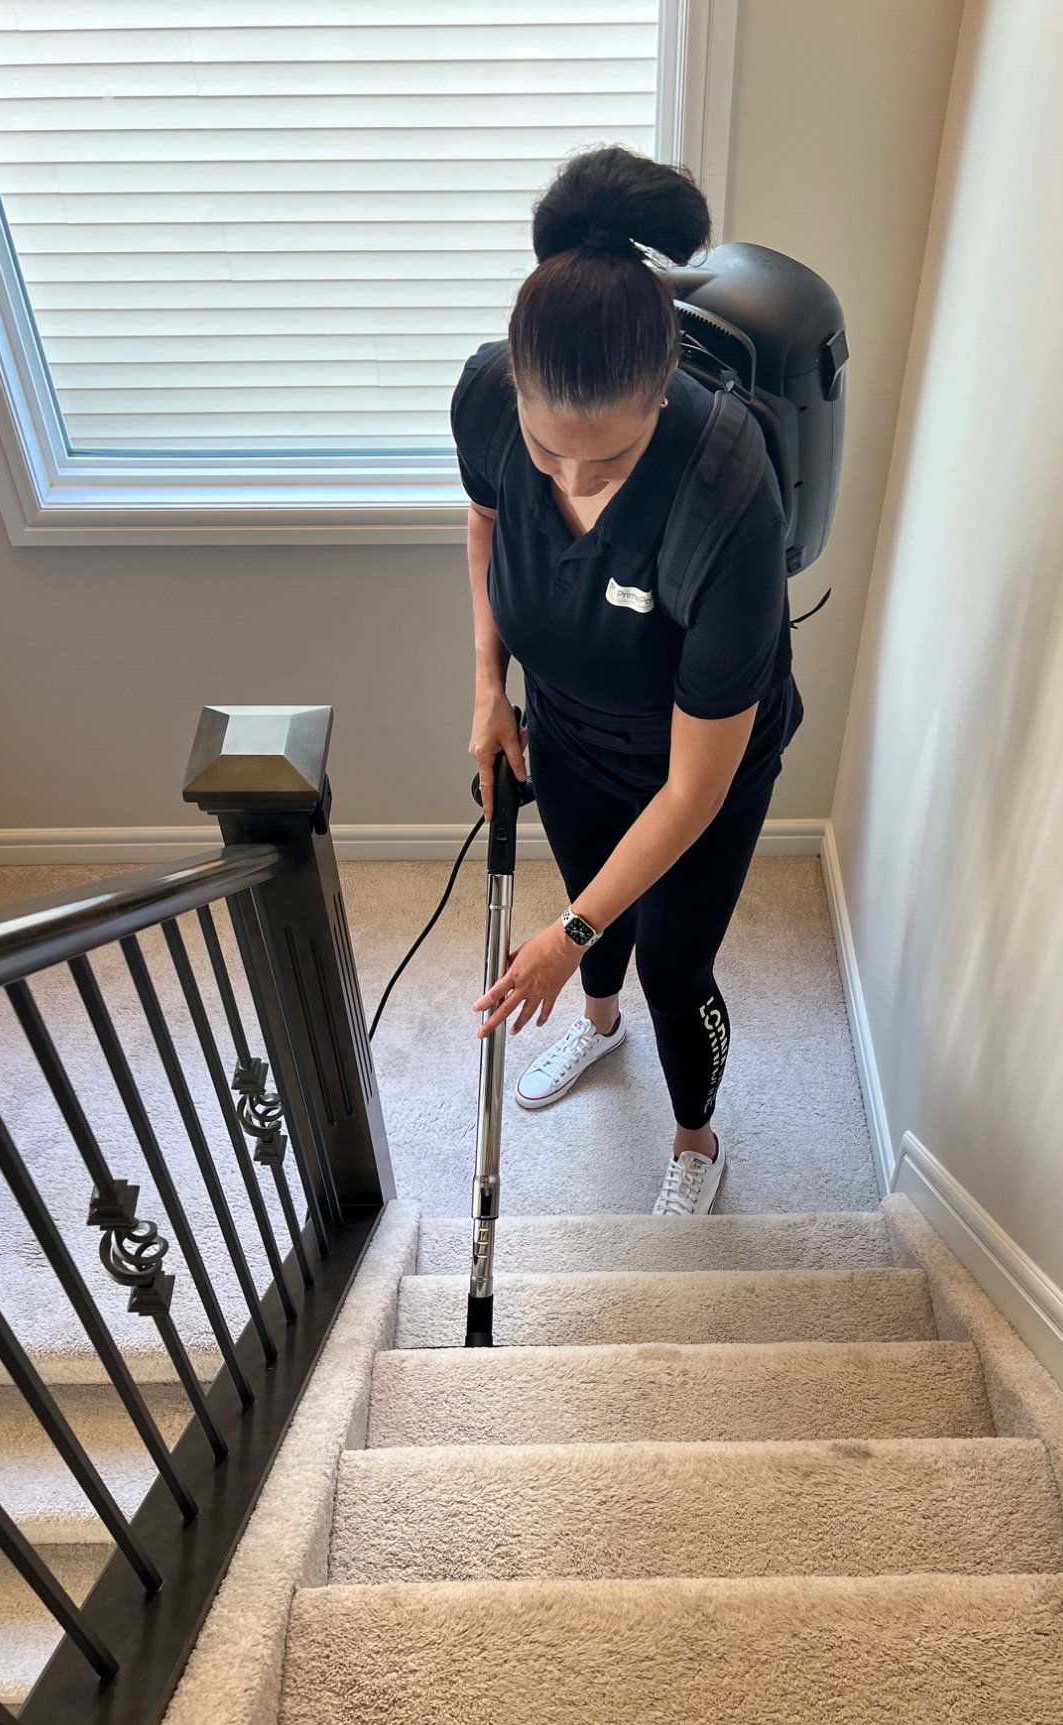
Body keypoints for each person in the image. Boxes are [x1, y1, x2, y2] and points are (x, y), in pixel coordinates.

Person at [451, 146, 803, 1217]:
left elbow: (693, 790)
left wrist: (563, 935)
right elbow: (485, 529)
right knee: (596, 911)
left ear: (662, 394)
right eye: (546, 450)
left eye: (599, 465)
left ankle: (696, 1137)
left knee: (671, 963)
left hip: (697, 770)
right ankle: (598, 1034)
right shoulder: (484, 397)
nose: (566, 480)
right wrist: (487, 687)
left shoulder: (729, 492)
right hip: (568, 734)